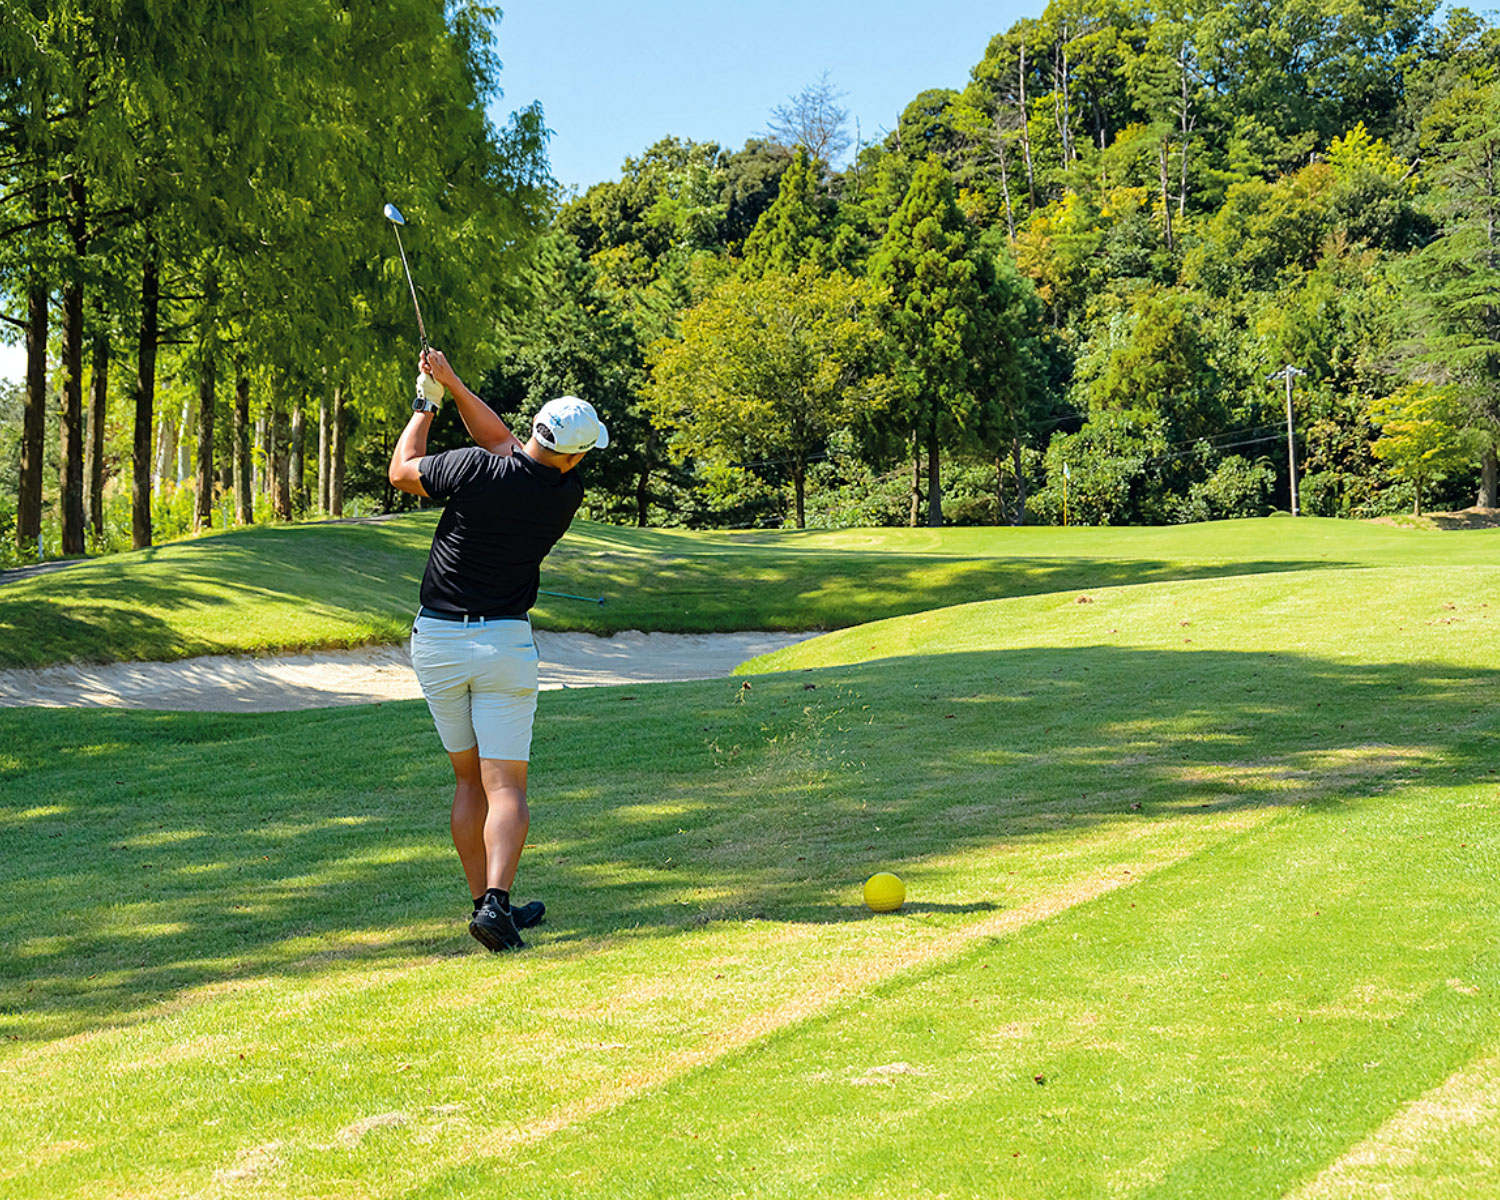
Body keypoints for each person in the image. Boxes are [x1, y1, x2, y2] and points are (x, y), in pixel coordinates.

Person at [388, 348, 608, 952]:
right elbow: (503, 440)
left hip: (437, 641)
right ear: (571, 456)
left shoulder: (470, 470)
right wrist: (453, 385)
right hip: (505, 643)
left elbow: (403, 469)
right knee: (506, 786)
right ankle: (497, 907)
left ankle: (485, 908)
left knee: (468, 783)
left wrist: (426, 404)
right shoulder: (564, 493)